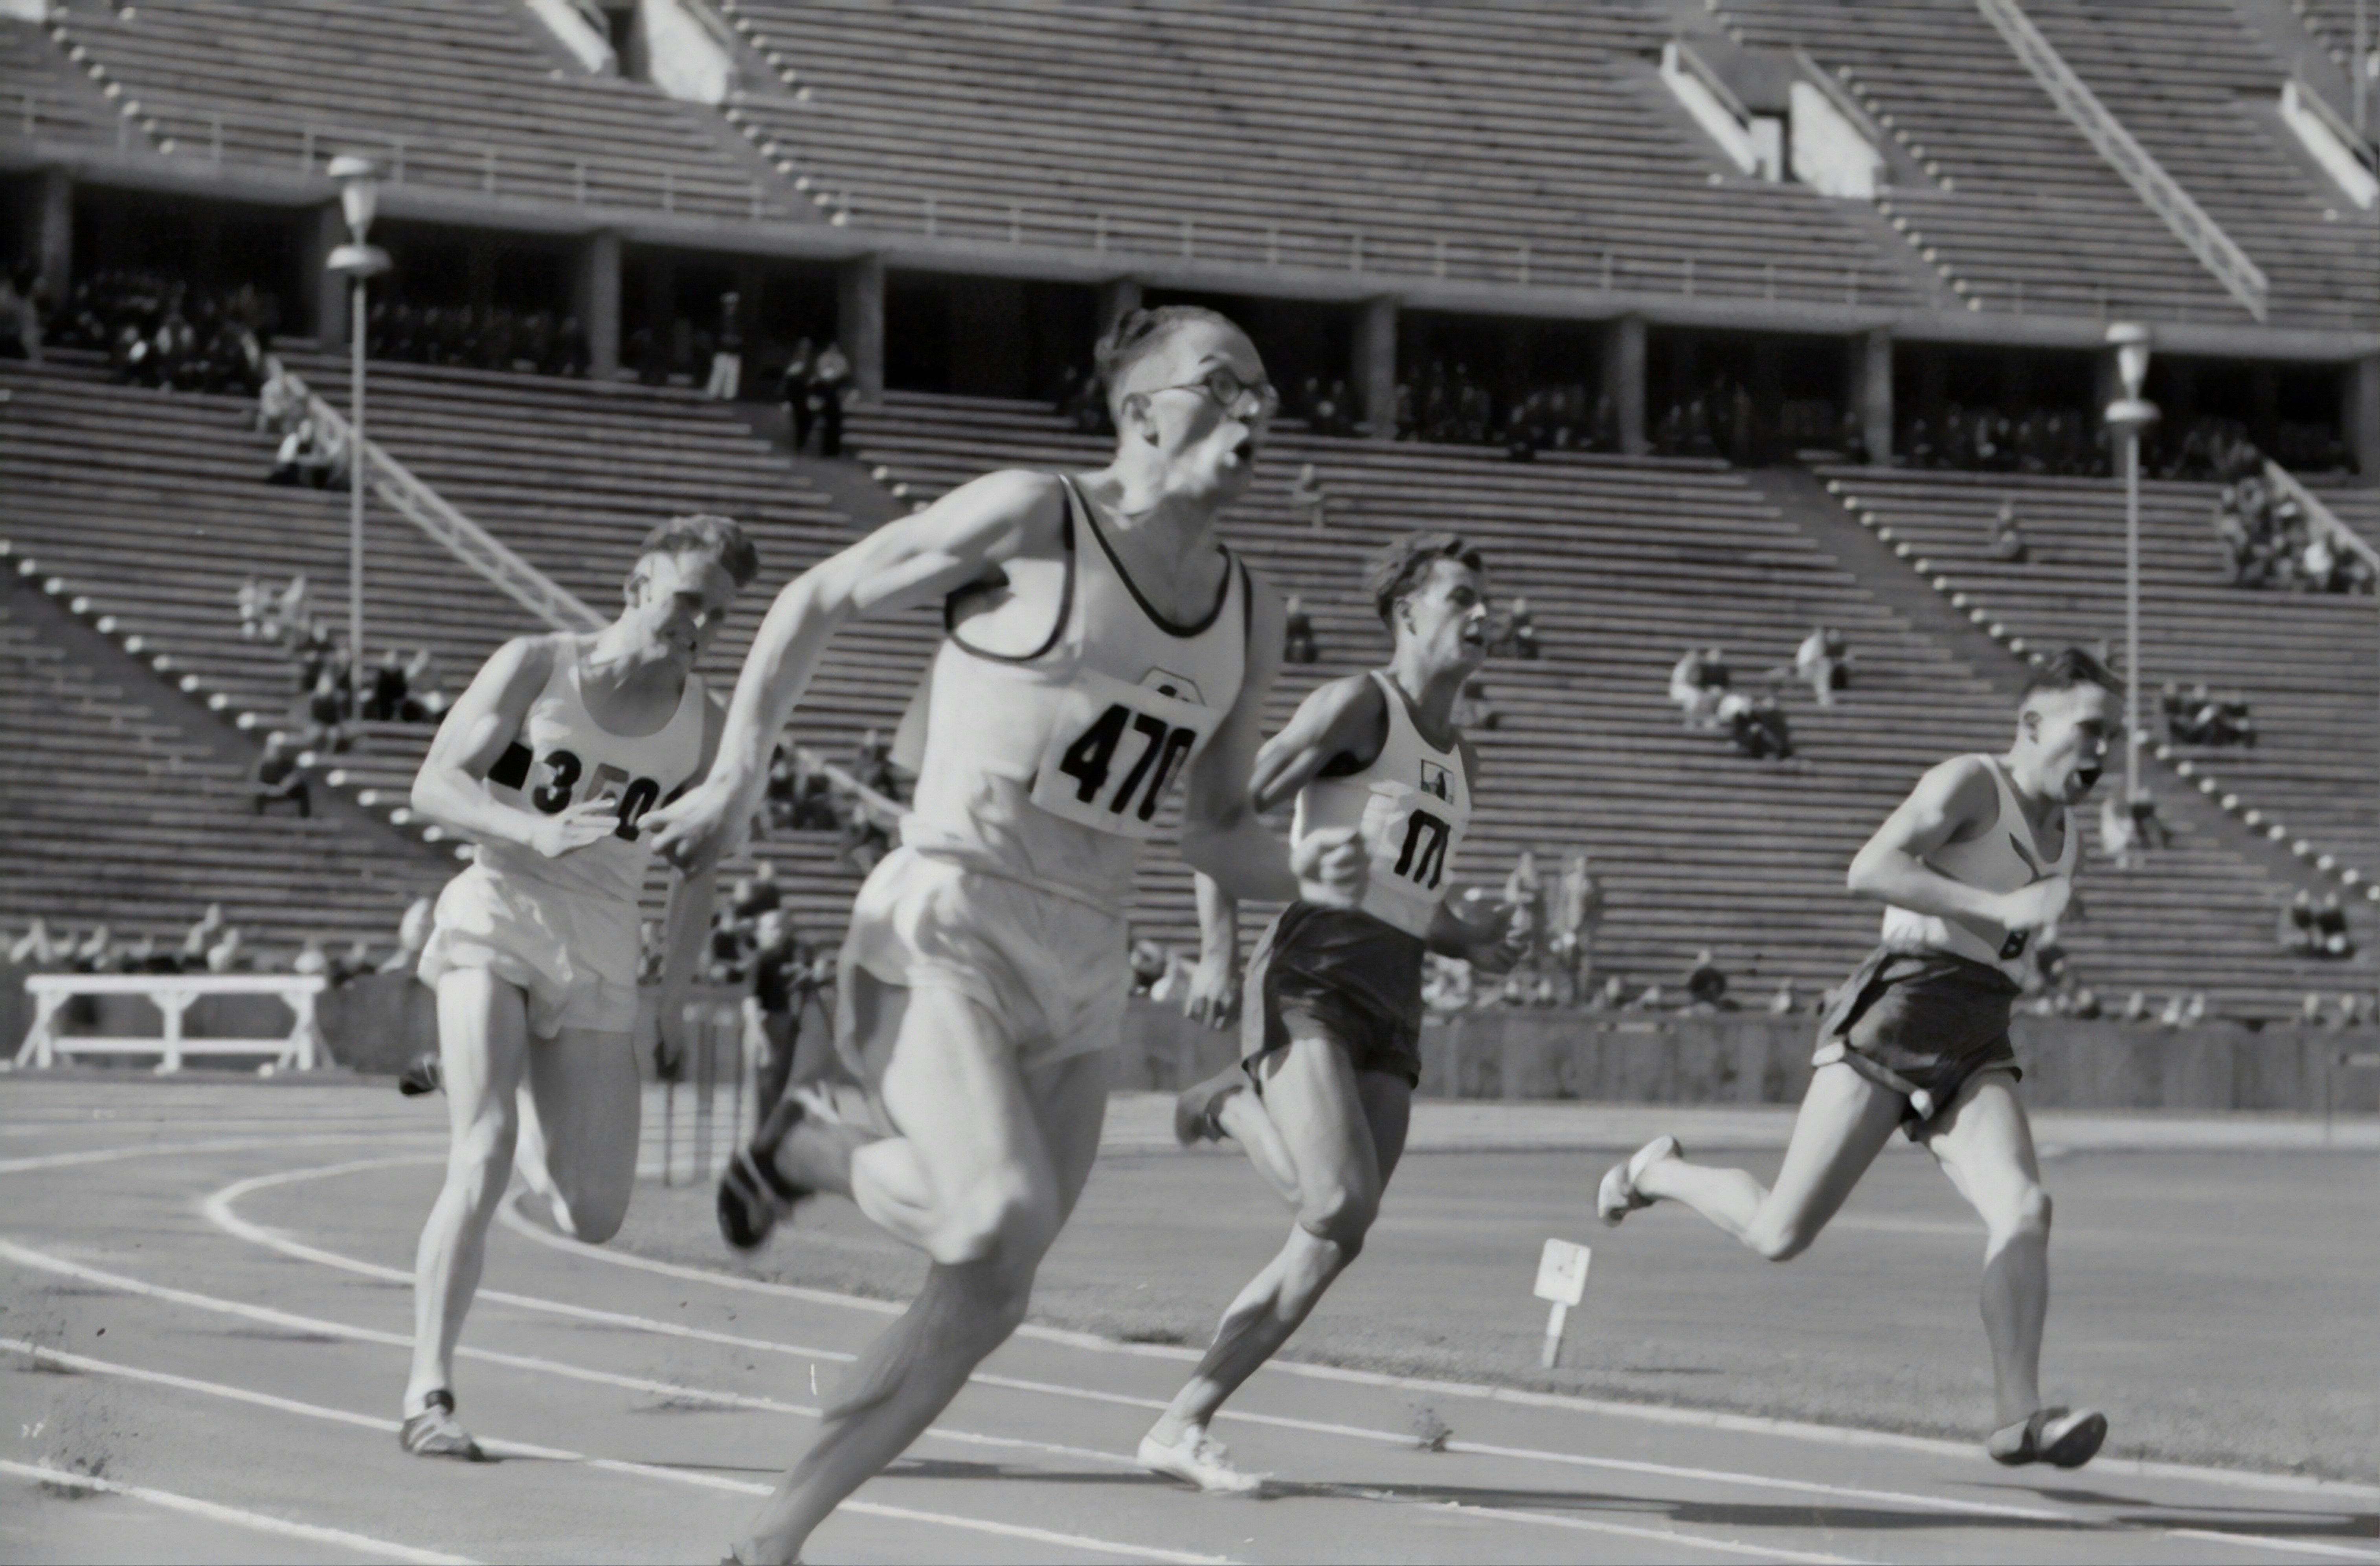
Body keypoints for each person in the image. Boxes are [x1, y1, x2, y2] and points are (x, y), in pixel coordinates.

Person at [647, 305, 1363, 1564]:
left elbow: (1211, 828)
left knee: (990, 1288)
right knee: (993, 1212)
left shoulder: (1247, 606)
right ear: (1141, 410)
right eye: (1220, 380)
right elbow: (819, 594)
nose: (1254, 402)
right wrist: (733, 778)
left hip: (1084, 965)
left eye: (1264, 386)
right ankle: (807, 1147)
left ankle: (764, 1545)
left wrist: (1308, 865)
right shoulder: (1038, 515)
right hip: (944, 921)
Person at [1595, 648, 2119, 1470]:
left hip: (1980, 1026)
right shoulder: (1971, 782)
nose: (2102, 751)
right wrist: (1995, 906)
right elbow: (1869, 867)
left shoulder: (2068, 832)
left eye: (2112, 736)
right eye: (2089, 730)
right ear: (2031, 724)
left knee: (2024, 1208)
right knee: (1779, 1235)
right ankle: (1655, 1172)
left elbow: (2005, 935)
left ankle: (2019, 1415)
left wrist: (2021, 940)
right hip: (1900, 1006)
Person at [1152, 532, 1524, 1493]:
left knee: (1335, 1238)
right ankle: (1231, 1102)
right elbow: (1220, 813)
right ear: (1407, 611)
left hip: (1394, 999)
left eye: (1487, 600)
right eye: (1463, 598)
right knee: (1336, 1200)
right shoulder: (1360, 705)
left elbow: (1410, 896)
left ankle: (1183, 1421)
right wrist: (1218, 952)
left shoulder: (1464, 757)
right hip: (1310, 973)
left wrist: (1467, 935)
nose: (1484, 615)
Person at [395, 514, 755, 1460]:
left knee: (593, 1215)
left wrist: (672, 1001)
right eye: (686, 601)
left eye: (720, 616)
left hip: (599, 951)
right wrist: (530, 832)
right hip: (499, 908)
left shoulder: (708, 729)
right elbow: (434, 785)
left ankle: (491, 1067)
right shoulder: (536, 664)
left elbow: (699, 875)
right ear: (639, 584)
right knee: (481, 1149)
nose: (699, 628)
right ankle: (427, 1392)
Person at [251, 733, 311, 818]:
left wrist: (288, 784)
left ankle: (305, 820)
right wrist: (272, 790)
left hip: (284, 790)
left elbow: (294, 778)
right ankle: (258, 817)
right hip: (267, 792)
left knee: (303, 788)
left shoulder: (287, 763)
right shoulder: (264, 765)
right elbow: (256, 784)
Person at [811, 339, 852, 456]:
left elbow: (845, 373)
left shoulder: (841, 360)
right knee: (827, 426)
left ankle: (834, 451)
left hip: (835, 395)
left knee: (835, 426)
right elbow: (820, 372)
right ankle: (827, 450)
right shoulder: (823, 359)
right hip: (826, 395)